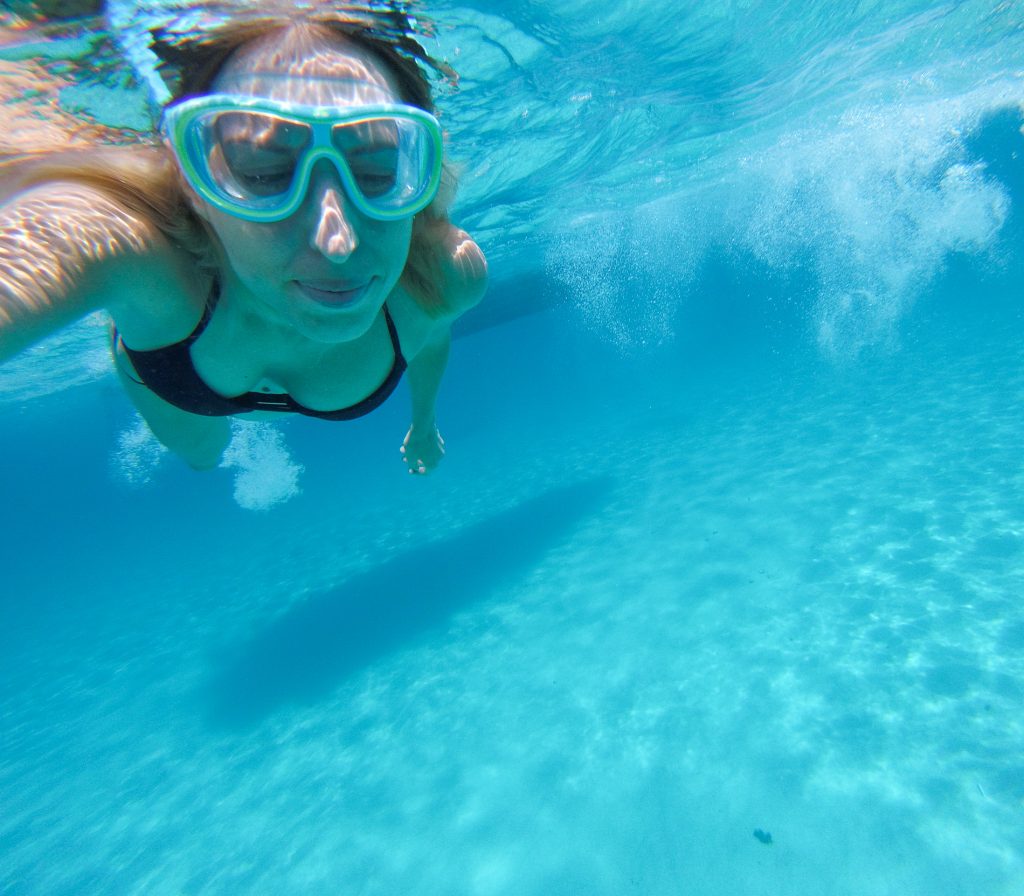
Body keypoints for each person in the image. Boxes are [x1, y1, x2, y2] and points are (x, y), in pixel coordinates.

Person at [0, 6, 487, 474]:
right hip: (176, 384)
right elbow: (48, 246)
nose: (337, 242)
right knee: (201, 454)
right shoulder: (134, 247)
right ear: (193, 185)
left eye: (376, 172)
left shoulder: (443, 274)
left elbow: (431, 338)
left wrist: (423, 424)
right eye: (265, 174)